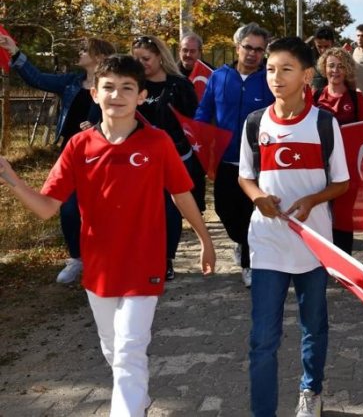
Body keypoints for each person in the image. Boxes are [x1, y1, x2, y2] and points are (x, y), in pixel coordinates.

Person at [0, 54, 215, 416]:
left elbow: (181, 196)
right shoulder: (79, 146)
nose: (117, 95)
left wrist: (206, 241)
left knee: (131, 347)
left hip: (145, 262)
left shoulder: (157, 143)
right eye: (109, 88)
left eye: (127, 88)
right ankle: (138, 399)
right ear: (95, 94)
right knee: (114, 349)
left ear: (141, 96)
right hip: (98, 267)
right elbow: (47, 208)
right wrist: (11, 178)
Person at [237, 36, 349, 417]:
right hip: (267, 243)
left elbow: (342, 182)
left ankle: (311, 390)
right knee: (262, 338)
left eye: (286, 69)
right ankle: (262, 410)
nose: (275, 77)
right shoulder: (255, 123)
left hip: (313, 244)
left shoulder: (324, 123)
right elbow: (246, 176)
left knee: (313, 325)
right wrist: (257, 198)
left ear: (306, 75)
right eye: (270, 69)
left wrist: (313, 200)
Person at [0, 35, 115, 284]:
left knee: (103, 209)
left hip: (104, 156)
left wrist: (99, 127)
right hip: (70, 154)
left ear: (100, 56)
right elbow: (38, 79)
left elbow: (127, 116)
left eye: (85, 49)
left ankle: (107, 258)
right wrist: (15, 51)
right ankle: (77, 259)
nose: (79, 52)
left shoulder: (115, 86)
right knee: (69, 207)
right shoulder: (72, 82)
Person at [195, 22, 274, 288]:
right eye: (248, 48)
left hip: (259, 162)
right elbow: (204, 113)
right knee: (224, 210)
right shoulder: (219, 76)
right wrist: (197, 136)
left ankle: (249, 264)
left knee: (252, 213)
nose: (252, 54)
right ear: (237, 47)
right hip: (226, 159)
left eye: (258, 50)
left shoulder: (268, 79)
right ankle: (242, 242)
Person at [132, 34, 206, 281]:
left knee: (169, 208)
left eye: (146, 58)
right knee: (144, 209)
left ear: (160, 57)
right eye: (136, 59)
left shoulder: (179, 85)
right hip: (138, 158)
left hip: (174, 156)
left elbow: (193, 122)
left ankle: (166, 258)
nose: (141, 63)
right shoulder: (132, 84)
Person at [312, 47, 363, 254]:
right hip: (319, 166)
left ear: (346, 69)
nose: (335, 71)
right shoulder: (315, 96)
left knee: (344, 216)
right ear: (324, 68)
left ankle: (343, 260)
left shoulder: (356, 99)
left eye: (340, 66)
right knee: (320, 211)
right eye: (331, 66)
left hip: (347, 168)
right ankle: (321, 257)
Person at [310, 27, 335, 92]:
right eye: (319, 46)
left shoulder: (340, 59)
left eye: (326, 46)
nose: (323, 50)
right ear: (315, 43)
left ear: (332, 43)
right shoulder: (308, 58)